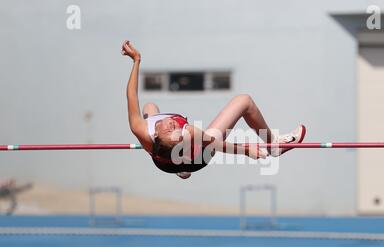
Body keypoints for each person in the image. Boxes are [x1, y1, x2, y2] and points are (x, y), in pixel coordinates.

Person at [121, 40, 306, 179]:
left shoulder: (142, 130)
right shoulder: (187, 133)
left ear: (155, 137)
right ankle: (274, 146)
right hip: (200, 157)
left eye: (172, 128)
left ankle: (181, 168)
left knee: (149, 107)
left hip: (173, 160)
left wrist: (136, 60)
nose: (172, 124)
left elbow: (131, 95)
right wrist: (246, 151)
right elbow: (216, 145)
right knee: (245, 101)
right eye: (174, 128)